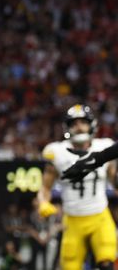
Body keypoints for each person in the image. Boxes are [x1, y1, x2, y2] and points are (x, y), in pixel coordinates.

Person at [38, 104, 116, 270]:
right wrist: (43, 202)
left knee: (107, 263)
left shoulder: (104, 147)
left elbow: (115, 181)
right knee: (70, 266)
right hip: (72, 220)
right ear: (67, 127)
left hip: (100, 217)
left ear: (91, 125)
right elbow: (45, 188)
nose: (79, 127)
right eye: (74, 123)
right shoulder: (57, 152)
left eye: (83, 122)